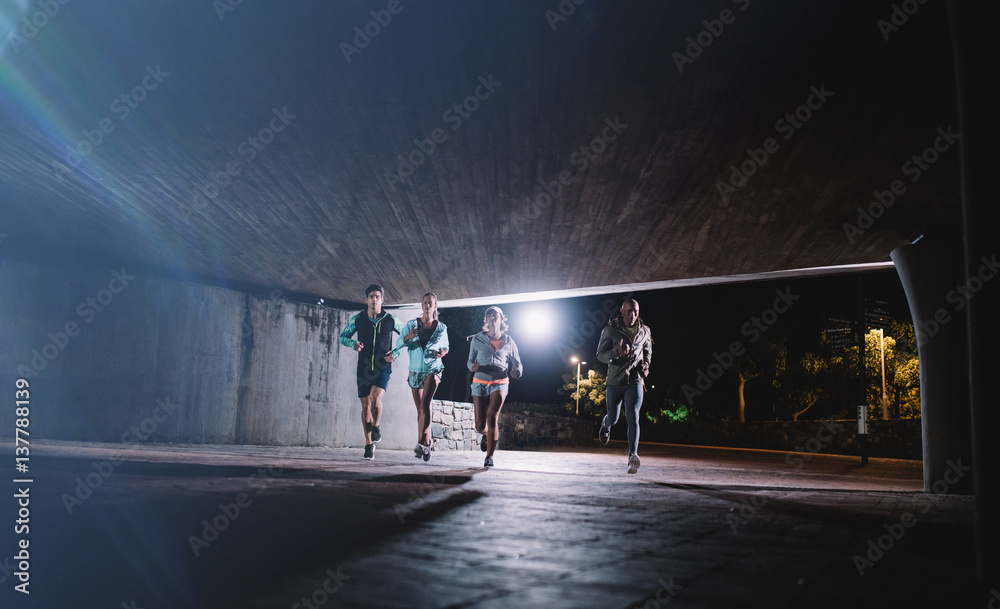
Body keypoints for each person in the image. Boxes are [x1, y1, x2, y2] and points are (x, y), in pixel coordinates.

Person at [339, 284, 406, 460]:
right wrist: (352, 344)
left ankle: (376, 425)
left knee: (375, 399)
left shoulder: (391, 319)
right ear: (366, 299)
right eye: (371, 296)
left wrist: (397, 352)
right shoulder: (358, 319)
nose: (374, 300)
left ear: (382, 300)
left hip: (382, 365)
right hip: (363, 367)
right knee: (365, 406)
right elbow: (343, 337)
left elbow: (407, 337)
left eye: (377, 297)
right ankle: (369, 444)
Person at [596, 298, 652, 474]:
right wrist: (616, 353)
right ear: (622, 311)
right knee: (613, 418)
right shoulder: (610, 330)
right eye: (629, 311)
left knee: (633, 416)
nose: (632, 315)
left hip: (635, 381)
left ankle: (632, 456)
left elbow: (648, 351)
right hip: (614, 381)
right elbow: (599, 355)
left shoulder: (645, 331)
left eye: (635, 311)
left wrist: (646, 366)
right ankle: (606, 426)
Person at [396, 292, 450, 462]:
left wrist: (442, 353)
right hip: (415, 370)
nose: (427, 305)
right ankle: (426, 445)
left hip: (433, 369)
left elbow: (446, 347)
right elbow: (399, 344)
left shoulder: (441, 328)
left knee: (425, 404)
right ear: (422, 305)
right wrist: (409, 337)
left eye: (430, 303)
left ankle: (420, 443)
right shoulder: (412, 324)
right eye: (425, 302)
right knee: (420, 409)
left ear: (435, 306)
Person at [467, 306, 522, 468]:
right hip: (479, 381)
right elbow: (469, 362)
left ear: (501, 318)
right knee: (479, 426)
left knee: (492, 417)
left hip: (500, 381)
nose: (491, 317)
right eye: (488, 315)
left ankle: (489, 457)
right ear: (486, 319)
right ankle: (486, 435)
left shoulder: (509, 341)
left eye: (494, 314)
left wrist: (516, 372)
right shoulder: (478, 339)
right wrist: (473, 367)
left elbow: (518, 365)